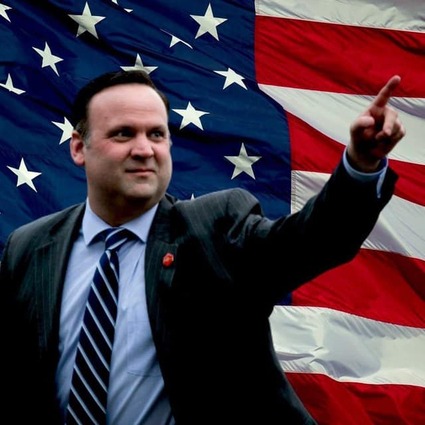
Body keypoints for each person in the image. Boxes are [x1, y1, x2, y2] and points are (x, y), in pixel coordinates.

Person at [0, 69, 405, 425]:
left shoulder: (216, 228)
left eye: (156, 134)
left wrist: (360, 166)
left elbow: (313, 241)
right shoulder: (30, 247)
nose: (144, 149)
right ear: (78, 148)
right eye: (123, 133)